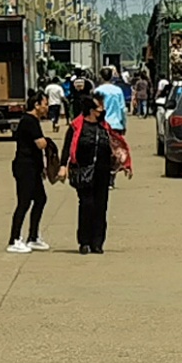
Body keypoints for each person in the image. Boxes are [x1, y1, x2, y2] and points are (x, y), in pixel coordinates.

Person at [66, 84, 130, 252]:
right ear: (91, 110)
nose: (102, 109)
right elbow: (67, 148)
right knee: (86, 205)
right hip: (83, 172)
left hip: (102, 173)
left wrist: (123, 163)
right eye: (99, 107)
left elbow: (117, 146)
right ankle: (84, 242)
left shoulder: (105, 128)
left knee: (101, 207)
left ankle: (98, 243)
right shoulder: (76, 127)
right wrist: (62, 167)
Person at [6, 93, 55, 252]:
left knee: (40, 199)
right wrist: (49, 142)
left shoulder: (34, 121)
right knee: (24, 202)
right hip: (24, 167)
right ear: (36, 105)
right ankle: (14, 239)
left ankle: (33, 237)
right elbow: (40, 144)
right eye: (45, 104)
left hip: (33, 168)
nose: (46, 107)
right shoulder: (29, 121)